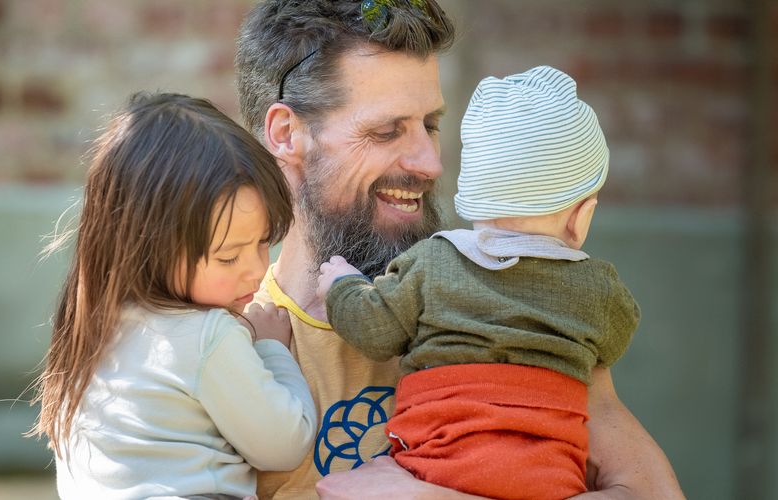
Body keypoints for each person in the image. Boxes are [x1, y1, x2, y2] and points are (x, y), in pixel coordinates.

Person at [234, 1, 684, 498]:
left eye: (430, 126)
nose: (430, 163)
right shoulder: (233, 338)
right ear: (286, 133)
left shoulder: (515, 307)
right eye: (386, 131)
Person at [316, 65, 640, 500]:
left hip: (431, 471)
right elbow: (615, 341)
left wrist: (342, 285)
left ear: (473, 196)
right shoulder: (598, 289)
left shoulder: (432, 263)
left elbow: (373, 329)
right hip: (550, 484)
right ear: (582, 216)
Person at [28, 92, 317, 499]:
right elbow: (285, 443)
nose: (256, 269)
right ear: (150, 246)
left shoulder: (88, 329)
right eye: (228, 256)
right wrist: (272, 349)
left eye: (263, 242)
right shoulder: (207, 336)